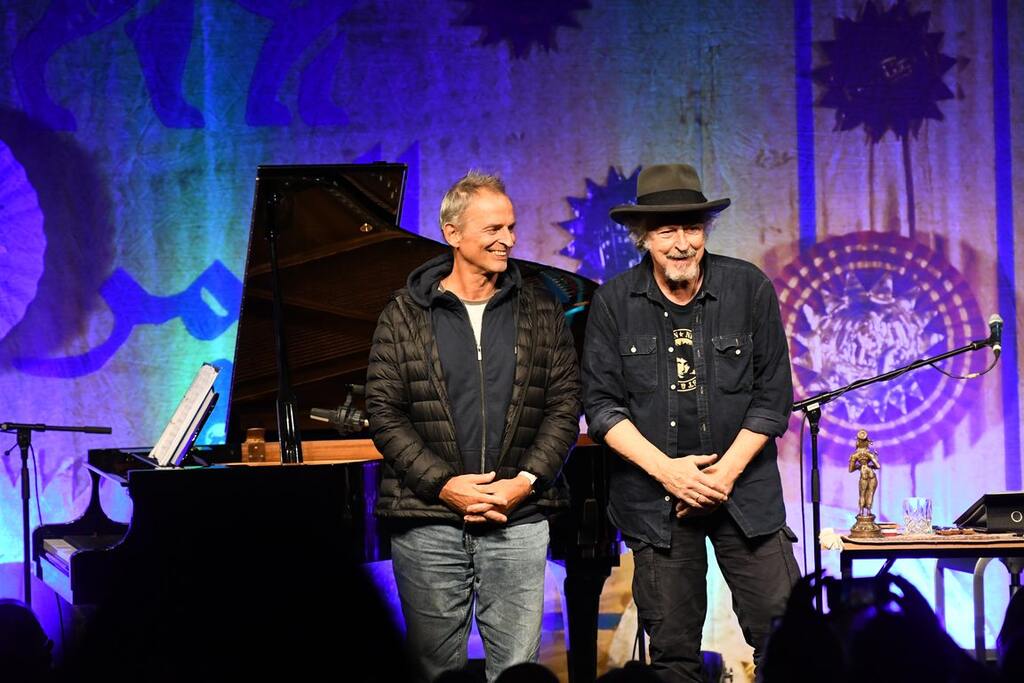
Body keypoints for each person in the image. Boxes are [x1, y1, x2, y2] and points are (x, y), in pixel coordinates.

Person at [582, 163, 800, 681]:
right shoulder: (613, 303)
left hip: (744, 493)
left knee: (788, 638)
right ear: (642, 237)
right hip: (656, 503)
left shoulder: (748, 288)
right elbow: (603, 408)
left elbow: (773, 398)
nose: (682, 244)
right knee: (674, 656)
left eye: (692, 228)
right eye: (666, 231)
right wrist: (671, 473)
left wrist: (722, 476)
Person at [366, 171, 581, 682]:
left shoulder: (542, 308)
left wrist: (523, 483)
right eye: (493, 229)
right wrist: (445, 486)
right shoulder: (404, 314)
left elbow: (564, 406)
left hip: (518, 517)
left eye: (511, 227)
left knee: (517, 673)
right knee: (434, 672)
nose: (508, 239)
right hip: (428, 521)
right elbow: (384, 412)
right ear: (452, 233)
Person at [848, 429, 880, 516]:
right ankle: (868, 512)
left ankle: (861, 512)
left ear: (858, 442)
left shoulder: (855, 455)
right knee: (870, 493)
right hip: (871, 474)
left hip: (863, 473)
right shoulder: (869, 454)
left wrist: (859, 466)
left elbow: (850, 470)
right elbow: (878, 466)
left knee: (862, 494)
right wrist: (871, 465)